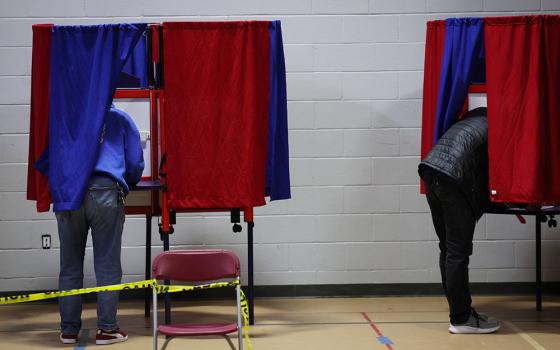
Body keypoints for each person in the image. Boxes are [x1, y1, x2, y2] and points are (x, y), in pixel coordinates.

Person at [56, 104, 144, 345]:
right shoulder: (120, 118)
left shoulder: (66, 113)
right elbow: (135, 163)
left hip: (69, 191)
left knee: (70, 265)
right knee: (107, 264)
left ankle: (69, 330)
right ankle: (106, 328)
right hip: (106, 190)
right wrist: (129, 181)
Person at [418, 107, 500, 334]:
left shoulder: (477, 114)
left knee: (447, 249)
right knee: (457, 252)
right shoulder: (502, 128)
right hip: (453, 179)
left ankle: (459, 311)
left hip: (431, 170)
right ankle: (461, 318)